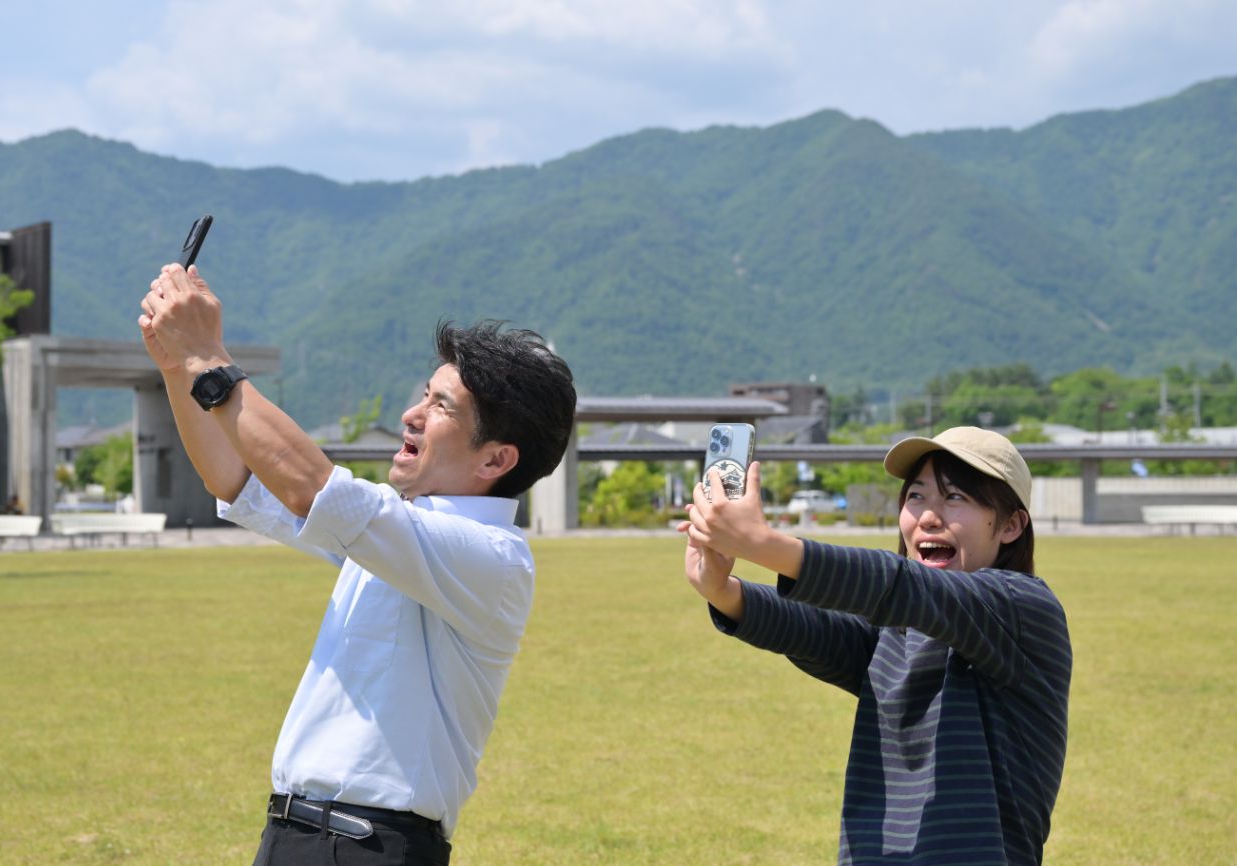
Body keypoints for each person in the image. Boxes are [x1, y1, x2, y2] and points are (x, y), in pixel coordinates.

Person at [138, 263, 577, 866]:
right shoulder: (395, 534)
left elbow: (309, 489)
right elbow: (237, 478)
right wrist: (176, 364)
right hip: (295, 832)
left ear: (495, 459)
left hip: (373, 847)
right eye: (424, 393)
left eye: (441, 406)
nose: (412, 414)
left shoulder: (491, 559)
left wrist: (209, 356)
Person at [680, 426, 1072, 865]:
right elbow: (817, 629)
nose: (928, 516)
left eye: (955, 497)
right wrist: (722, 590)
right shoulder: (898, 632)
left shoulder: (1023, 610)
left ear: (1012, 525)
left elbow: (899, 585)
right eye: (917, 496)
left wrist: (764, 544)